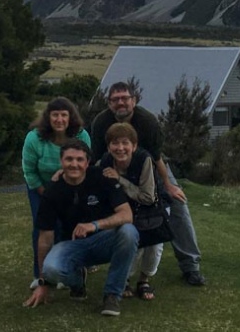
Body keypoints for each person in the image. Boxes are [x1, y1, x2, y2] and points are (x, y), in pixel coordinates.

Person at [90, 81, 206, 286]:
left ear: (133, 100)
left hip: (150, 164)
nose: (120, 103)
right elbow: (98, 158)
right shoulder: (100, 122)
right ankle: (90, 257)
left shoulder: (147, 121)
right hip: (116, 166)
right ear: (109, 103)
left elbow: (157, 156)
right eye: (115, 100)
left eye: (125, 98)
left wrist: (168, 186)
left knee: (178, 204)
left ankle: (190, 265)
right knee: (92, 203)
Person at [23, 139, 139, 317]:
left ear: (87, 162)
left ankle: (112, 295)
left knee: (129, 232)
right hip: (72, 245)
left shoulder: (102, 177)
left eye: (79, 160)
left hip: (104, 241)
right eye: (69, 159)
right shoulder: (52, 191)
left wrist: (94, 225)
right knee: (51, 268)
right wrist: (43, 283)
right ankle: (77, 283)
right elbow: (45, 237)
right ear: (61, 162)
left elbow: (126, 215)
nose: (74, 164)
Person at [22, 97, 91, 289]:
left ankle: (64, 270)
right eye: (55, 115)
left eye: (63, 115)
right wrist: (48, 196)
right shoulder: (34, 138)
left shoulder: (81, 135)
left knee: (67, 227)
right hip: (40, 187)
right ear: (48, 117)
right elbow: (29, 171)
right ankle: (40, 274)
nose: (59, 119)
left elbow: (87, 164)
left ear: (70, 118)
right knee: (42, 226)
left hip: (71, 187)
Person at [99, 122, 170, 301]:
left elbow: (148, 196)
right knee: (131, 245)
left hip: (151, 208)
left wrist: (120, 180)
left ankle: (144, 280)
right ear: (108, 146)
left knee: (153, 247)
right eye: (115, 143)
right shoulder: (106, 161)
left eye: (125, 143)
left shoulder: (144, 159)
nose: (120, 148)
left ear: (134, 145)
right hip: (126, 208)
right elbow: (91, 177)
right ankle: (125, 278)